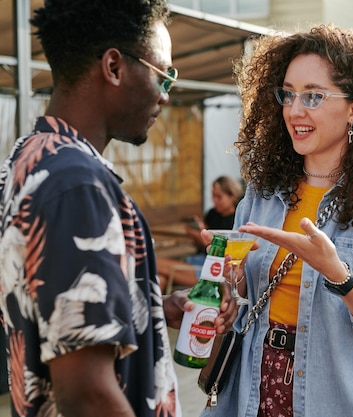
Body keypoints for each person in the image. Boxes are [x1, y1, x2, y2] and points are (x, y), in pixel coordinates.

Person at [0, 1, 237, 416]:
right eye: (164, 77)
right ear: (114, 67)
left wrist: (151, 310)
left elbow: (56, 316)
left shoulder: (29, 157)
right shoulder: (78, 185)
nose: (166, 96)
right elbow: (87, 395)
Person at [201, 24, 353, 417]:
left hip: (337, 399)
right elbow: (241, 296)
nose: (294, 109)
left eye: (313, 96)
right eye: (288, 94)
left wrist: (338, 274)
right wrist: (228, 279)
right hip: (253, 392)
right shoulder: (263, 190)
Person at [156, 175, 243, 293]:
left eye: (219, 197)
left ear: (232, 197)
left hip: (210, 267)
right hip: (197, 260)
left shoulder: (236, 220)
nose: (215, 200)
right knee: (160, 278)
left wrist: (192, 232)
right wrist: (198, 231)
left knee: (155, 263)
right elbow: (200, 246)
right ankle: (155, 309)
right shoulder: (212, 214)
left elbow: (212, 246)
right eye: (213, 196)